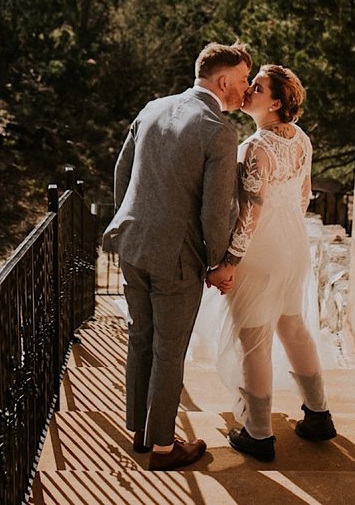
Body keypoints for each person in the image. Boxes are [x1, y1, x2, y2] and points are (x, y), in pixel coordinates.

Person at [103, 42, 250, 471]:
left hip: (133, 246)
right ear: (223, 81)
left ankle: (141, 432)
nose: (244, 90)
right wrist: (217, 262)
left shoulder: (152, 107)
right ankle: (165, 448)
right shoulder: (218, 130)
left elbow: (122, 173)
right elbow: (215, 208)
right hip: (177, 258)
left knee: (141, 338)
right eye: (242, 81)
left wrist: (127, 224)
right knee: (169, 350)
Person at [208, 65, 336, 461]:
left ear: (276, 102)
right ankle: (319, 415)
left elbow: (251, 211)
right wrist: (289, 236)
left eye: (258, 87)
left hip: (259, 253)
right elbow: (304, 196)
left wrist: (230, 259)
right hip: (293, 247)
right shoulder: (301, 140)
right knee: (293, 327)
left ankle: (259, 433)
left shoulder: (254, 148)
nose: (248, 90)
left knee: (254, 340)